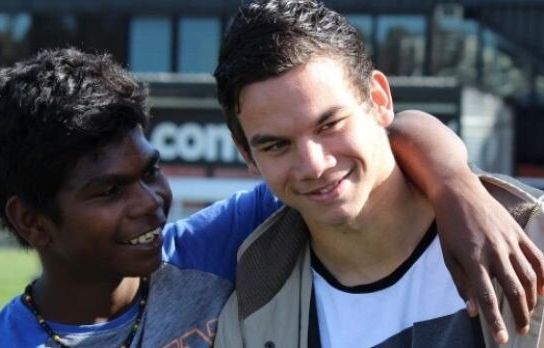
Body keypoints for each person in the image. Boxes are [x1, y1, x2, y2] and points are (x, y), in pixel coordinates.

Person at [0, 47, 540, 348]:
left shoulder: (206, 249)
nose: (150, 202)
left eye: (151, 172)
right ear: (33, 222)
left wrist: (457, 187)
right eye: (110, 191)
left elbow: (383, 139)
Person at [213, 1, 544, 347]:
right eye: (277, 146)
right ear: (246, 155)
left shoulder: (533, 233)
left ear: (380, 99)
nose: (314, 165)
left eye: (329, 124)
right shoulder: (248, 311)